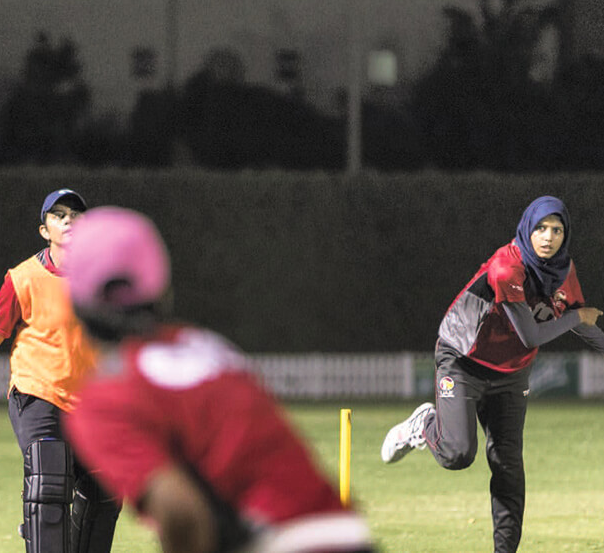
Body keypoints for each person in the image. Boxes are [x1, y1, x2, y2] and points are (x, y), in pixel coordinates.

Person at [61, 207, 375, 553]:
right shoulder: (206, 345)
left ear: (75, 300)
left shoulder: (105, 398)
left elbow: (180, 513)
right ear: (160, 286)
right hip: (346, 533)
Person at [380, 195, 604, 552]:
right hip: (463, 359)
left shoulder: (564, 270)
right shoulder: (506, 267)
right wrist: (577, 318)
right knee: (458, 453)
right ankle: (423, 425)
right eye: (541, 228)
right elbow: (533, 334)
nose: (548, 237)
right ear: (527, 228)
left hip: (511, 373)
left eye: (557, 229)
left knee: (508, 466)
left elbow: (573, 312)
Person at [0, 188, 120, 553]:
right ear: (44, 230)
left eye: (76, 215)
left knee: (106, 485)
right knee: (49, 476)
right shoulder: (22, 279)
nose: (69, 221)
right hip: (38, 396)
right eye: (59, 215)